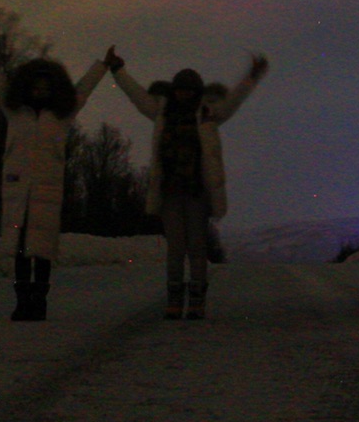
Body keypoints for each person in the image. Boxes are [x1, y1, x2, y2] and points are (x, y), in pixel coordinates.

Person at [106, 45, 268, 319]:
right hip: (169, 190)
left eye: (189, 89)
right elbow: (137, 95)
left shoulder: (208, 114)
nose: (185, 93)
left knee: (196, 247)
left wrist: (252, 76)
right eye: (181, 89)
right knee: (176, 248)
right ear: (174, 90)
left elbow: (234, 100)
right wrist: (118, 70)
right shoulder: (162, 111)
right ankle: (174, 297)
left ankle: (195, 299)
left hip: (196, 191)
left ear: (197, 91)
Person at [0, 53, 107, 321]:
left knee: (43, 249)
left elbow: (83, 88)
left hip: (47, 191)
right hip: (18, 191)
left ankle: (40, 301)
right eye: (36, 87)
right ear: (27, 87)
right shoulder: (15, 111)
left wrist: (102, 65)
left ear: (54, 90)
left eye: (46, 88)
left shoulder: (61, 115)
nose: (40, 92)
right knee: (21, 248)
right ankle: (23, 302)